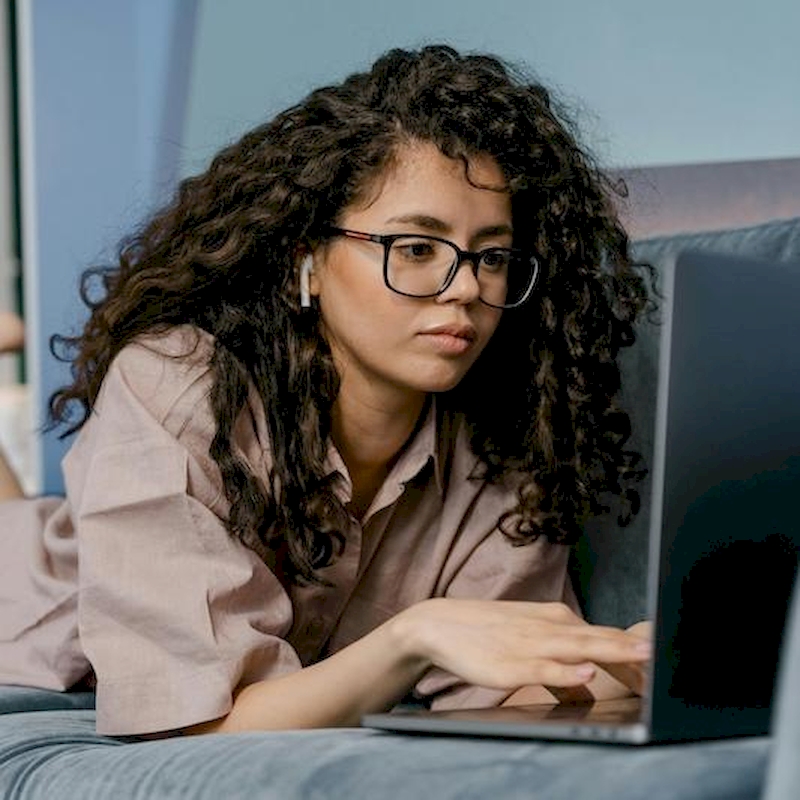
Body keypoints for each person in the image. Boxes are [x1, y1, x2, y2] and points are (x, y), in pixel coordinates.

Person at [0, 45, 653, 737]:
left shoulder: (504, 439)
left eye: (491, 256)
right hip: (29, 597)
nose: (465, 288)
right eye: (416, 248)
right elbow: (201, 731)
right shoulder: (177, 381)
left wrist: (625, 663)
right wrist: (415, 636)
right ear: (305, 261)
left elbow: (517, 685)